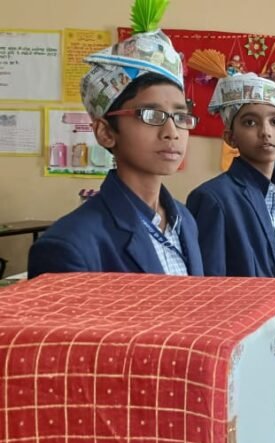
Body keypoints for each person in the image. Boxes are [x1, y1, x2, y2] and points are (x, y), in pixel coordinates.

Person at [29, 0, 203, 278]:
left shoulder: (185, 221)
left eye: (180, 116)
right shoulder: (70, 245)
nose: (172, 131)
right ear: (106, 132)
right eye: (150, 114)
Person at [186, 73, 275, 277]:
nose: (266, 132)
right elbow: (210, 281)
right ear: (230, 137)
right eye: (250, 122)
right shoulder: (213, 197)